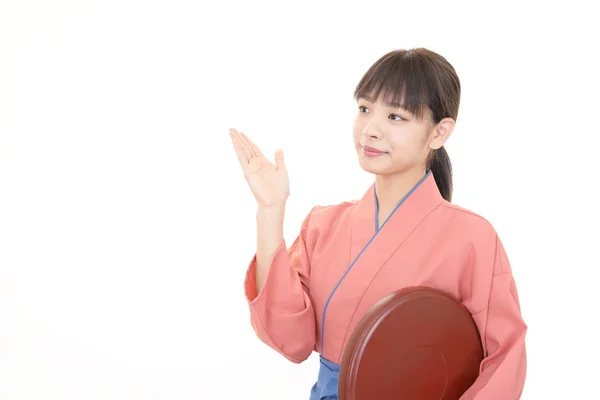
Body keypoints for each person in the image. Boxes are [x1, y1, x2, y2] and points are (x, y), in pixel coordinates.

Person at [230, 48, 527, 399]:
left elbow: (505, 357)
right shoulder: (323, 225)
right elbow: (290, 341)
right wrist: (270, 210)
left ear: (439, 132)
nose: (370, 130)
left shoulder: (473, 238)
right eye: (364, 109)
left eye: (396, 116)